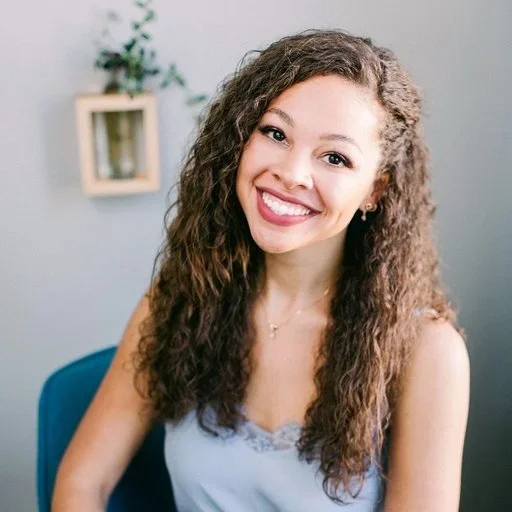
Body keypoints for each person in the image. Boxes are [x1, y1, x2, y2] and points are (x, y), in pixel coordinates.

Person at [52, 29, 470, 511]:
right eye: (275, 133)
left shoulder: (428, 354)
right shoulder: (177, 301)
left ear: (375, 191)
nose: (292, 172)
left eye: (334, 157)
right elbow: (84, 479)